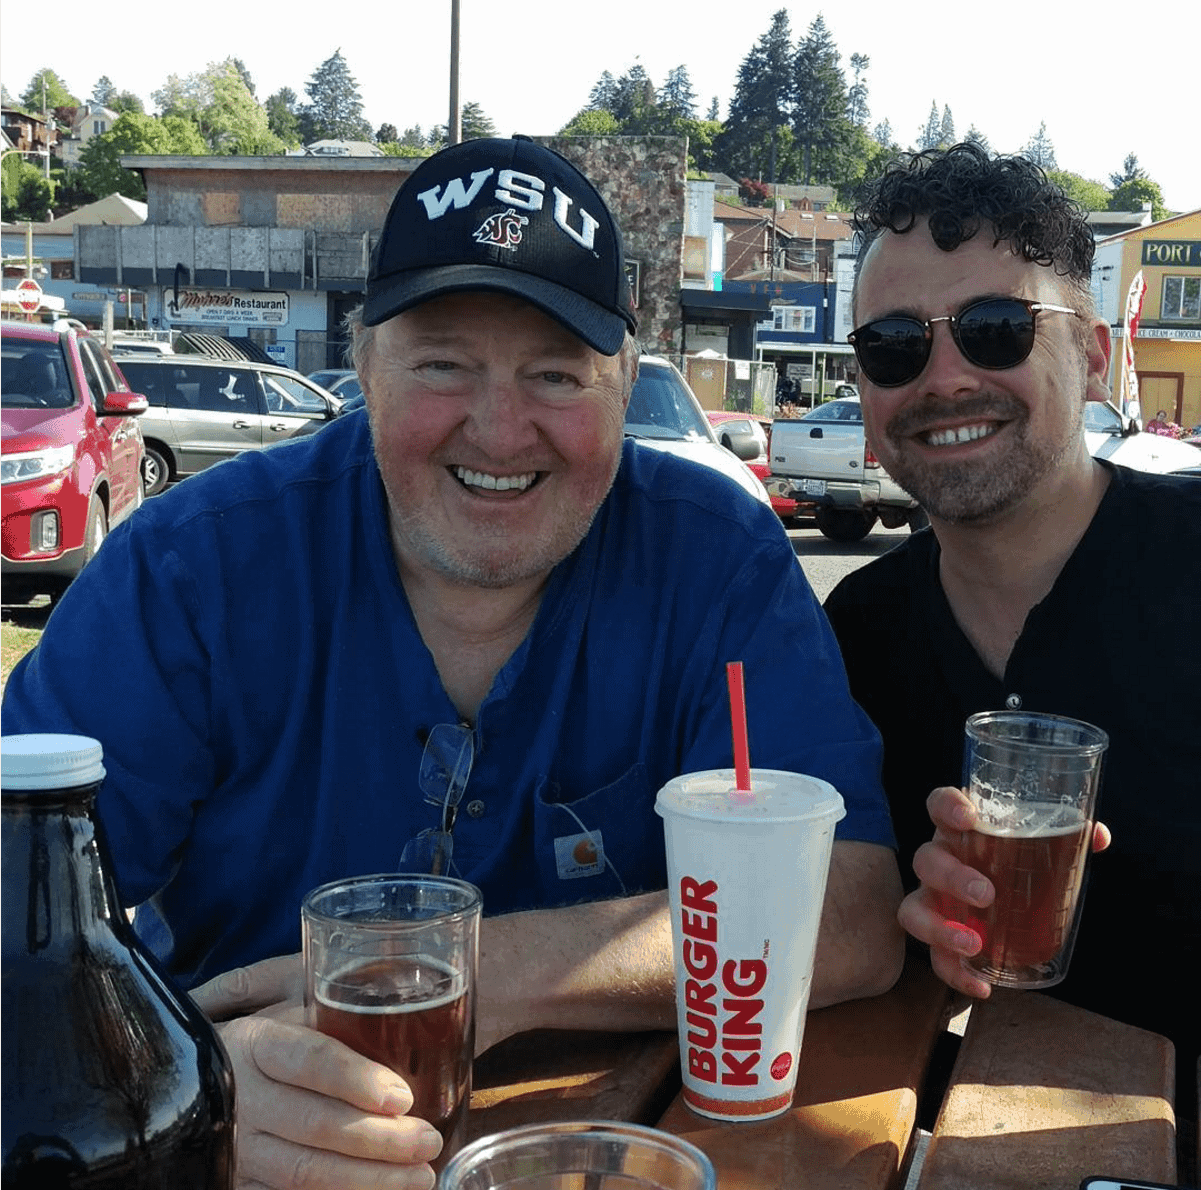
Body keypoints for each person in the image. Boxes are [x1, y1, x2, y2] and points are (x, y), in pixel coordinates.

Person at [4, 137, 904, 1190]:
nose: (500, 426)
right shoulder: (192, 567)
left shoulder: (713, 557)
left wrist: (480, 972)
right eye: (444, 364)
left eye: (555, 373)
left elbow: (847, 907)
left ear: (623, 387)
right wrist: (182, 1092)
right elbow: (20, 922)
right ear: (364, 369)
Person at [822, 142, 1200, 1174]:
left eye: (993, 330)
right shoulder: (852, 632)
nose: (943, 379)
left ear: (1090, 351)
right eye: (894, 345)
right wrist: (906, 930)